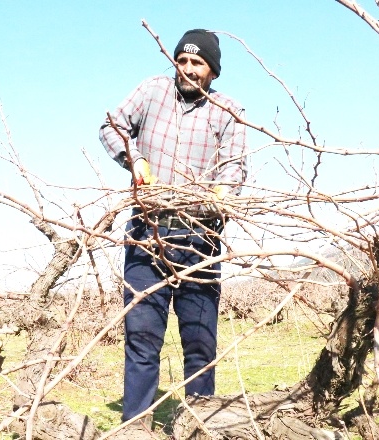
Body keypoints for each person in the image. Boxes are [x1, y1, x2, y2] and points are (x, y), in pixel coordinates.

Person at [99, 29, 248, 427]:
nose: (188, 69)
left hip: (200, 239)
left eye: (197, 63)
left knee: (200, 343)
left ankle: (197, 426)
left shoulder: (229, 111)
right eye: (182, 60)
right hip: (146, 235)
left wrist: (223, 191)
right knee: (142, 339)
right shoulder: (153, 90)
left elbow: (236, 165)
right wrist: (134, 159)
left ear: (212, 71)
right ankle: (135, 429)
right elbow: (111, 127)